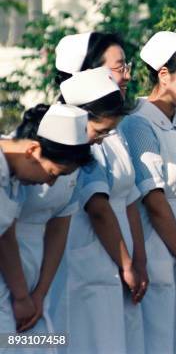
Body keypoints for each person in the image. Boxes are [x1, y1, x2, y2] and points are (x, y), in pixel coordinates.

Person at [53, 32, 147, 353]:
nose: (127, 75)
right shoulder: (75, 129)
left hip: (119, 263)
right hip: (91, 263)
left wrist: (137, 260)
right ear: (91, 71)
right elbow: (98, 206)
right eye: (119, 67)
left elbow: (129, 197)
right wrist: (127, 263)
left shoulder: (111, 128)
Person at [120, 31, 176, 354]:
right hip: (158, 246)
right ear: (163, 74)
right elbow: (155, 200)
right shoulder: (138, 124)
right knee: (161, 337)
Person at [0, 104, 92, 336]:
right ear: (32, 151)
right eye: (52, 174)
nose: (49, 184)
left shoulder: (11, 174)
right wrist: (21, 296)